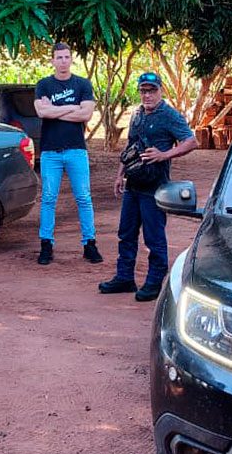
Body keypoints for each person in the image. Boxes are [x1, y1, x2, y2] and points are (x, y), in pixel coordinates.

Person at [98, 72, 198, 302]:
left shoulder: (169, 115)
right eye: (143, 90)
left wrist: (165, 155)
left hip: (155, 188)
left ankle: (154, 281)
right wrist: (119, 175)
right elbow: (130, 147)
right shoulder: (137, 114)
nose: (147, 95)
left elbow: (191, 141)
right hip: (133, 185)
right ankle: (124, 277)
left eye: (152, 90)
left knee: (154, 238)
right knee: (126, 233)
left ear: (161, 90)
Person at [33, 42, 103, 266]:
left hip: (76, 150)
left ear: (71, 59)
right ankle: (46, 245)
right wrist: (72, 108)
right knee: (48, 198)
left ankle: (89, 244)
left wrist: (55, 112)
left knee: (83, 197)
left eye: (66, 57)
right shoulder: (44, 85)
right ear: (52, 61)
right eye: (59, 57)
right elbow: (42, 111)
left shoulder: (82, 84)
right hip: (50, 152)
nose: (63, 61)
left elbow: (87, 115)